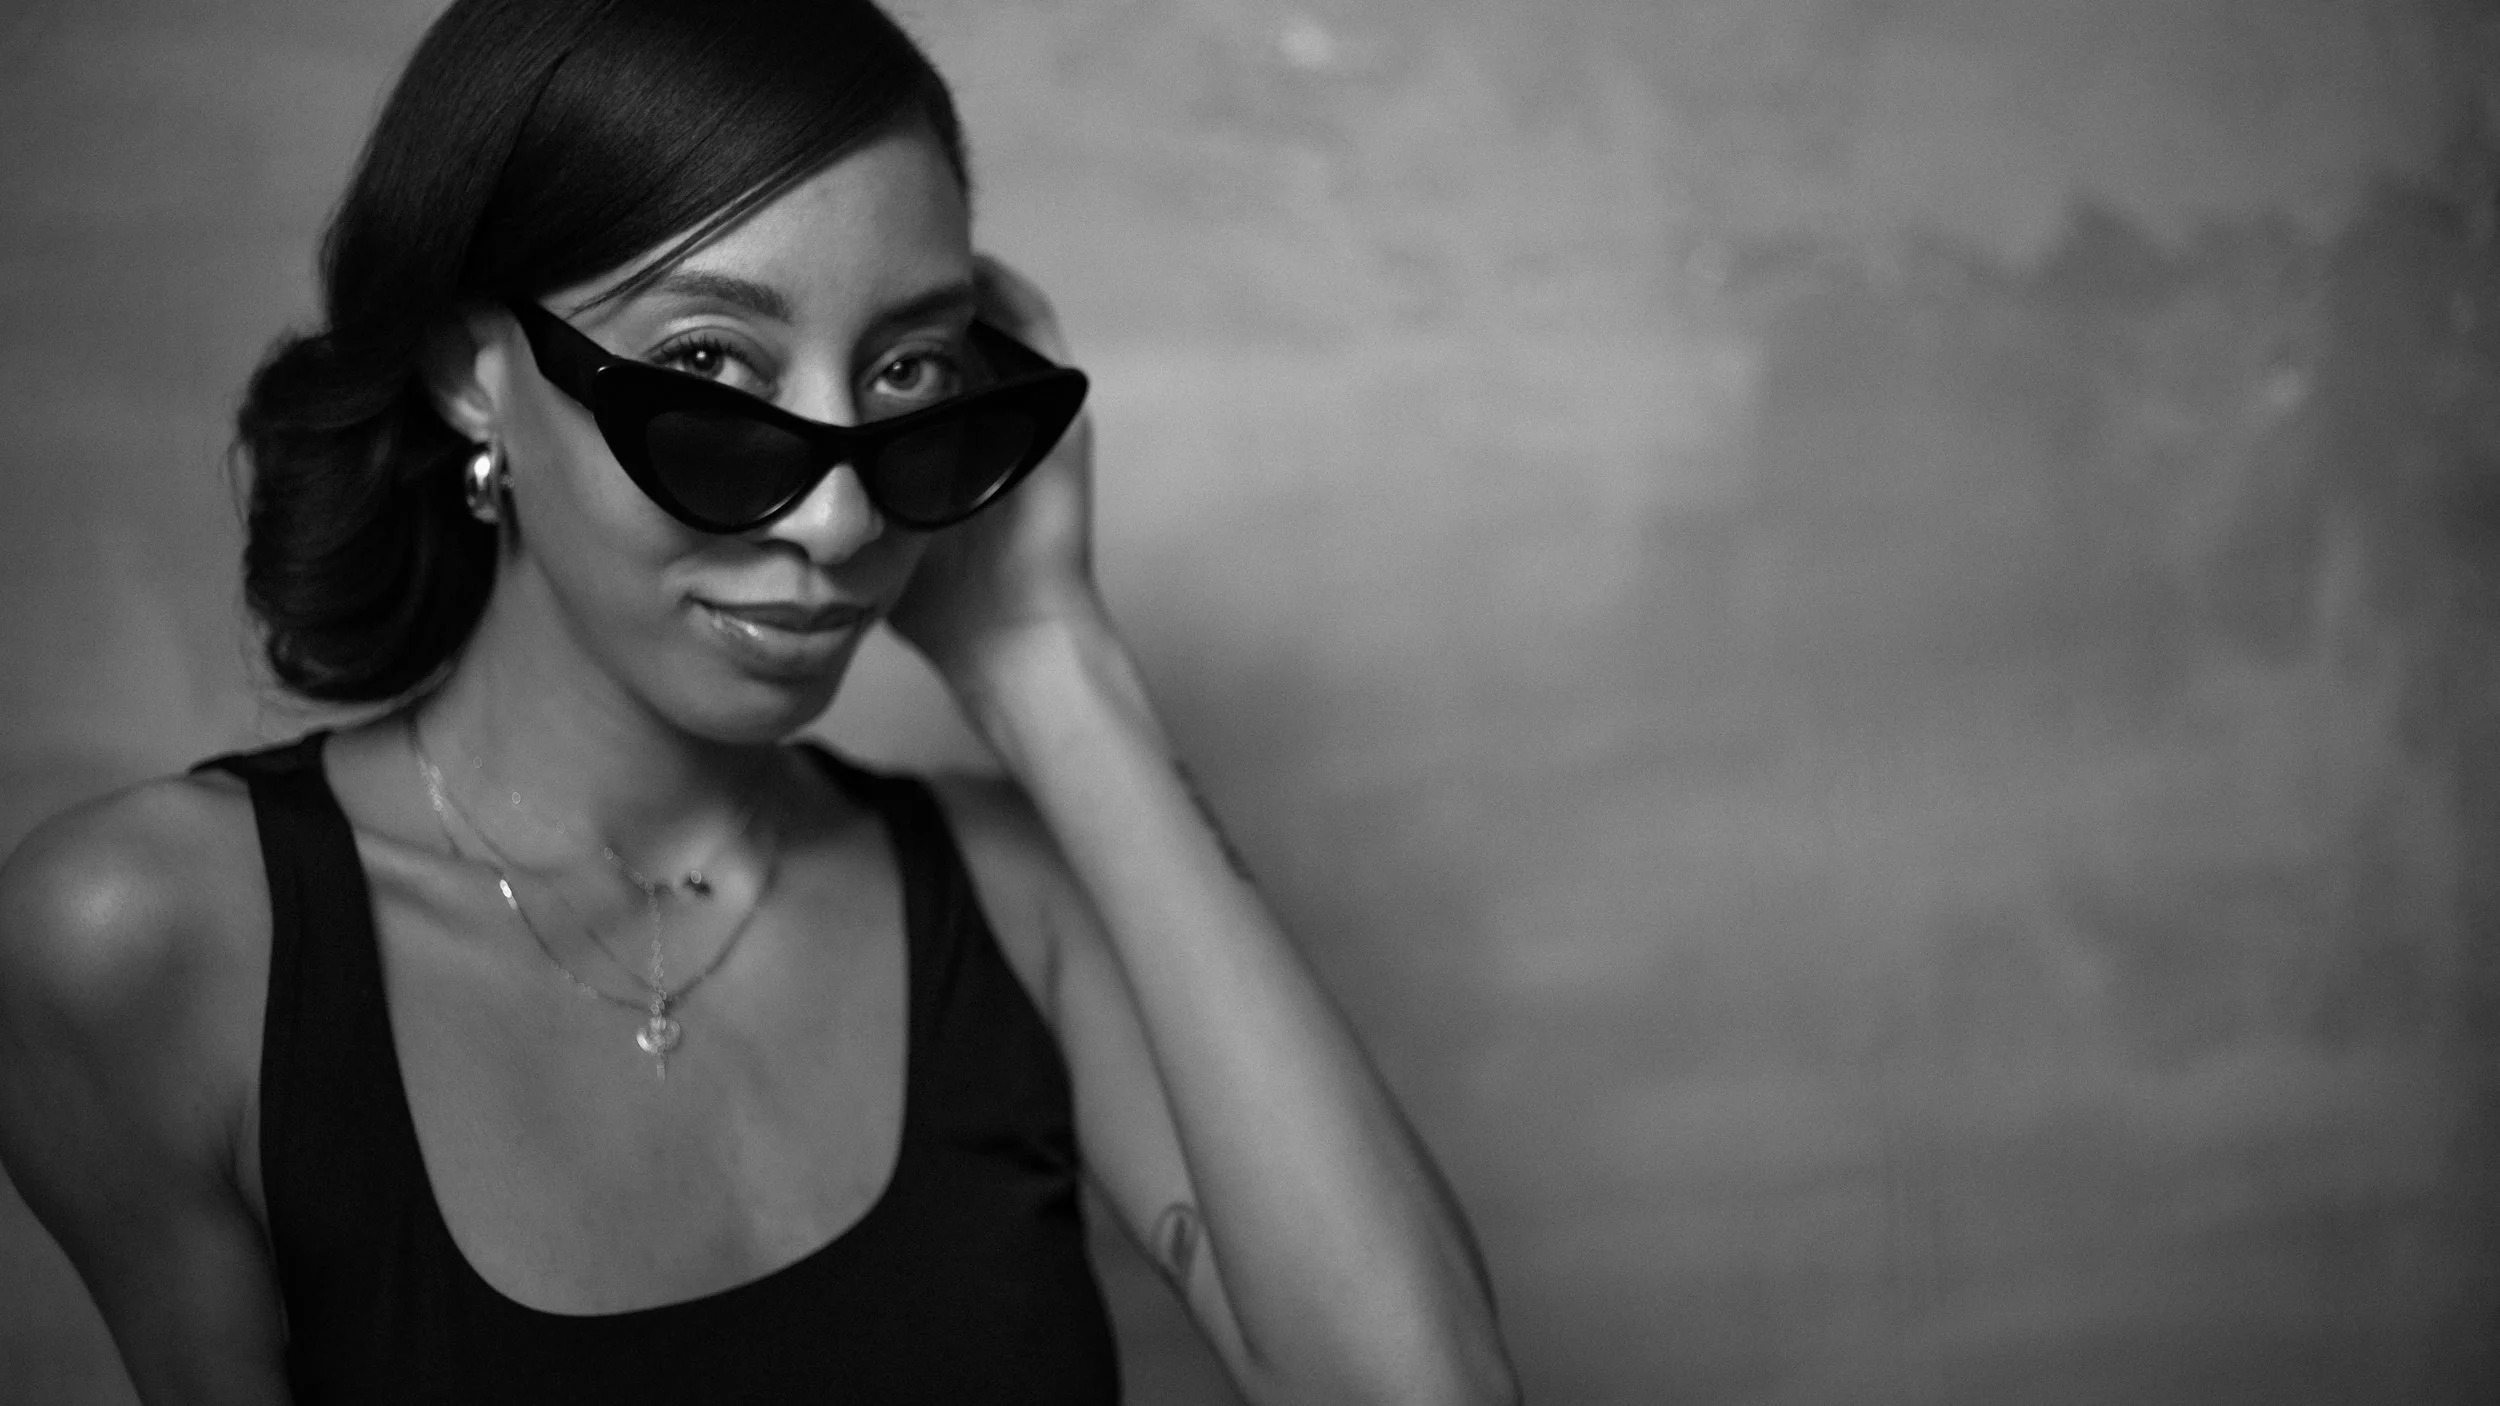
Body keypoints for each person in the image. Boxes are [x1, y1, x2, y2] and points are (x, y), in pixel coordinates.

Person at [0, 1, 1519, 1401]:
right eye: (712, 359)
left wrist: (1047, 654)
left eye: (909, 371)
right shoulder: (148, 945)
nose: (842, 523)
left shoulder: (1016, 905)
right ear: (476, 375)